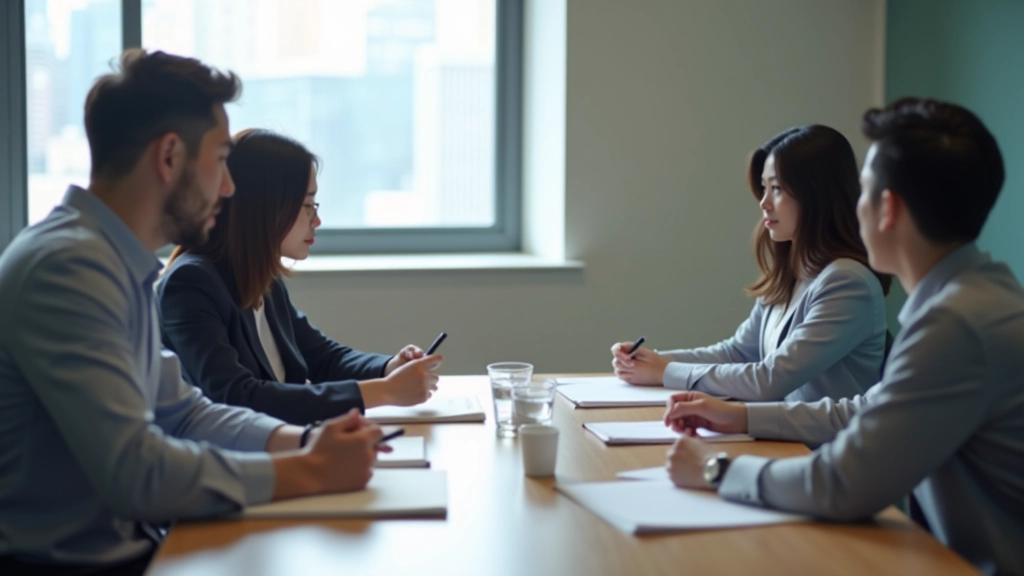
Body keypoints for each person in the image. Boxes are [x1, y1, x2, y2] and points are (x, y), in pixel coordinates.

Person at [0, 49, 430, 575]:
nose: (229, 188)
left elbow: (184, 412)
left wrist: (306, 441)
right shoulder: (67, 270)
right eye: (221, 159)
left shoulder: (114, 264)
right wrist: (308, 471)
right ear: (170, 157)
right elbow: (136, 472)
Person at [662, 98, 1024, 576]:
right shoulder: (977, 294)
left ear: (887, 208)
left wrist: (716, 470)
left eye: (864, 192)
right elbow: (866, 409)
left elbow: (843, 483)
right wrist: (738, 416)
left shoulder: (956, 324)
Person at [157, 128, 439, 426]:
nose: (317, 220)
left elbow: (322, 358)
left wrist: (389, 368)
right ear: (264, 208)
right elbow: (237, 397)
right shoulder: (190, 284)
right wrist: (383, 392)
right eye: (307, 206)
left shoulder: (264, 279)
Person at [612, 125, 891, 402]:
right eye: (764, 188)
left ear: (817, 194)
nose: (764, 203)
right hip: (779, 439)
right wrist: (654, 360)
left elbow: (769, 380)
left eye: (777, 189)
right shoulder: (792, 272)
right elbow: (738, 352)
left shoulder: (847, 282)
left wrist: (667, 372)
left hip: (818, 446)